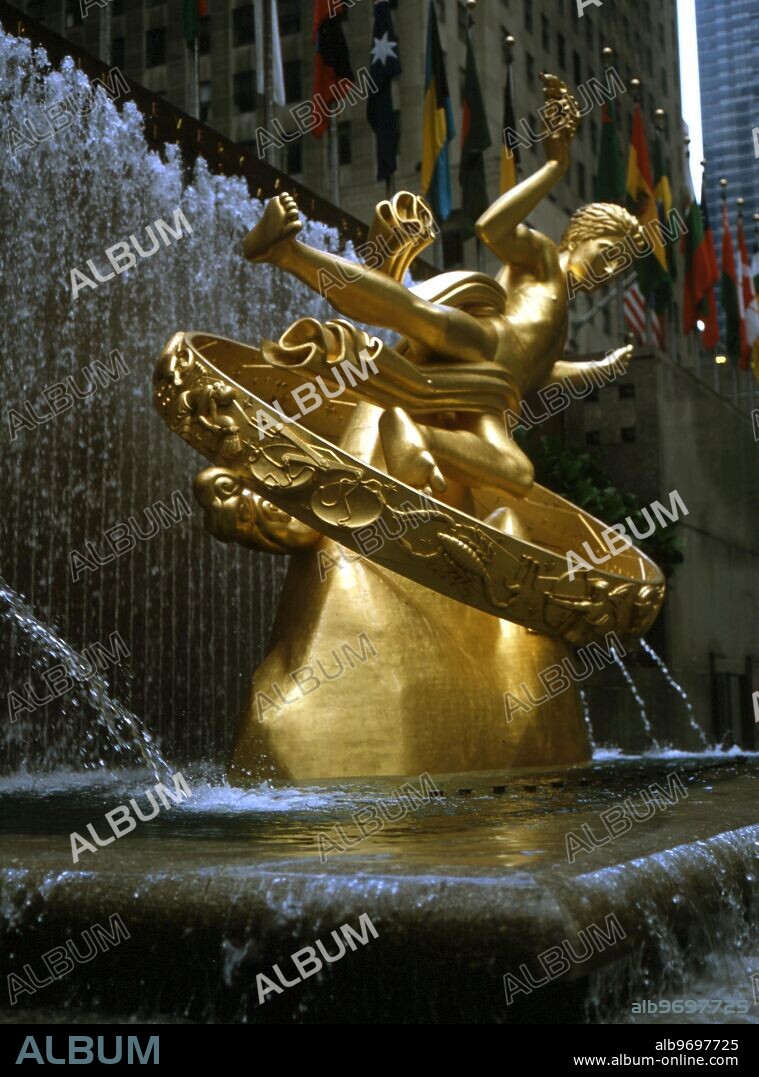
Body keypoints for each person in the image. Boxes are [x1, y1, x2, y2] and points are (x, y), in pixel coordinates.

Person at [243, 74, 642, 498]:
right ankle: (284, 252)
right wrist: (555, 166)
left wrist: (598, 369)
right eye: (611, 251)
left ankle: (418, 438)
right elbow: (491, 227)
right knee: (420, 316)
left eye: (622, 265)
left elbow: (540, 370)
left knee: (518, 472)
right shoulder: (543, 258)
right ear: (580, 237)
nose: (613, 269)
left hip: (492, 394)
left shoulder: (563, 320)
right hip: (487, 342)